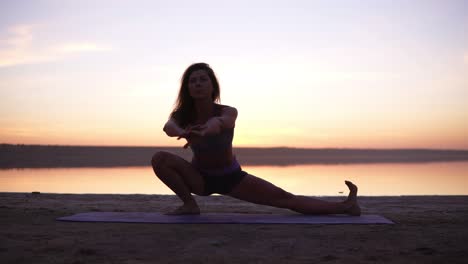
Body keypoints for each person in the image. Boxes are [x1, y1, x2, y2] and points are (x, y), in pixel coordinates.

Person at [151, 62, 361, 216]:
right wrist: (182, 131)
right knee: (160, 158)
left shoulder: (228, 111)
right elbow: (168, 126)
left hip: (231, 177)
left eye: (203, 79)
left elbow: (221, 123)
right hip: (199, 177)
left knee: (286, 199)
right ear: (187, 88)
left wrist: (204, 130)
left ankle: (345, 206)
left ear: (212, 86)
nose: (197, 84)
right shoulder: (183, 115)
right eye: (193, 81)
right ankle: (190, 205)